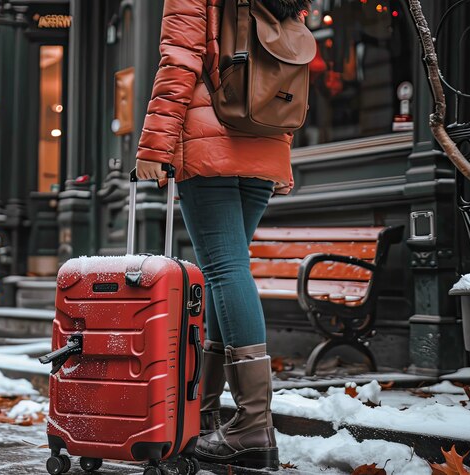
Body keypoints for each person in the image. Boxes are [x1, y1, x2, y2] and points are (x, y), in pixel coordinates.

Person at [136, 0, 310, 470]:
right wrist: (280, 149)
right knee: (223, 273)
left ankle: (252, 423)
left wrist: (154, 144)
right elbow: (284, 74)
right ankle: (205, 411)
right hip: (265, 139)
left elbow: (180, 60)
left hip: (209, 139)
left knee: (224, 269)